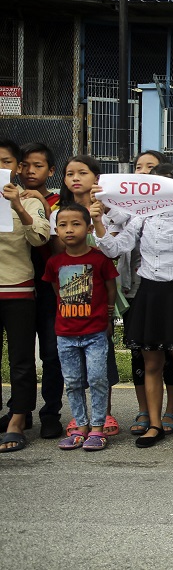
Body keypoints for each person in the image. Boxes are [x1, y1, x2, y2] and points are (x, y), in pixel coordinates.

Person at [94, 162, 173, 448]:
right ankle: (155, 423)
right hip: (149, 294)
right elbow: (113, 248)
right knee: (152, 363)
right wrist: (98, 221)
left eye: (168, 184)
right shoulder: (140, 218)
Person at [110, 150, 173, 436]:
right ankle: (145, 410)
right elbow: (116, 240)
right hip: (136, 290)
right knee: (141, 353)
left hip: (168, 289)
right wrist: (103, 203)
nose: (143, 174)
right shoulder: (132, 211)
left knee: (172, 352)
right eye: (139, 168)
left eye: (150, 169)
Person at [54, 155, 123, 438]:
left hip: (100, 298)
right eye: (70, 173)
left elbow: (114, 250)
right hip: (70, 301)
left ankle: (102, 415)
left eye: (82, 172)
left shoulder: (108, 209)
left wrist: (100, 214)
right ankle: (79, 419)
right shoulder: (57, 211)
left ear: (97, 178)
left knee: (100, 362)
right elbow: (55, 272)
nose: (75, 178)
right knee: (72, 373)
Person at [43, 203, 119, 451]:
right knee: (73, 381)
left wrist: (107, 318)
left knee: (97, 378)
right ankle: (80, 426)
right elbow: (57, 291)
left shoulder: (99, 259)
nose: (69, 230)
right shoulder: (55, 263)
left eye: (76, 224)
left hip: (95, 333)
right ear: (56, 230)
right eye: (63, 225)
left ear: (88, 228)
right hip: (65, 334)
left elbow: (110, 289)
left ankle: (97, 427)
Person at [0, 140, 51, 452]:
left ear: (17, 167)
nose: (0, 167)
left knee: (21, 359)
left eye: (6, 161)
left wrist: (18, 205)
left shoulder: (30, 201)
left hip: (17, 288)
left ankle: (19, 418)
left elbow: (40, 236)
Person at [18, 142, 63, 439]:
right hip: (15, 284)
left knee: (50, 352)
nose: (31, 171)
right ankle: (18, 411)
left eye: (38, 166)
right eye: (25, 165)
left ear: (50, 170)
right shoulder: (6, 197)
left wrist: (43, 208)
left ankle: (50, 413)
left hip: (49, 287)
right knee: (19, 355)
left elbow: (60, 247)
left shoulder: (59, 201)